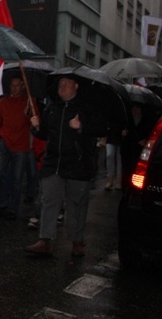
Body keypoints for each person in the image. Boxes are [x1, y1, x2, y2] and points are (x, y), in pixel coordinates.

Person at [24, 76, 106, 257]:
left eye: (66, 84)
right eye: (60, 85)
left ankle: (77, 241)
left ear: (76, 86)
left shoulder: (86, 107)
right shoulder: (52, 108)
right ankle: (44, 240)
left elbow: (100, 128)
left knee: (77, 204)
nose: (62, 87)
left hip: (79, 164)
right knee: (49, 201)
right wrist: (36, 127)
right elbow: (44, 134)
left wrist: (81, 126)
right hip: (54, 163)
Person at [0, 76, 37, 220]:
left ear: (23, 86)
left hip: (21, 145)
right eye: (12, 85)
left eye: (18, 85)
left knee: (17, 179)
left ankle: (12, 208)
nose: (14, 88)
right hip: (5, 142)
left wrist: (31, 114)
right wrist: (0, 135)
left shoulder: (29, 102)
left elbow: (36, 123)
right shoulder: (3, 102)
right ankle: (2, 203)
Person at [104, 119, 125, 190]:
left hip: (121, 134)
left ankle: (119, 180)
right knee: (109, 156)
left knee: (120, 158)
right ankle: (110, 178)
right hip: (111, 134)